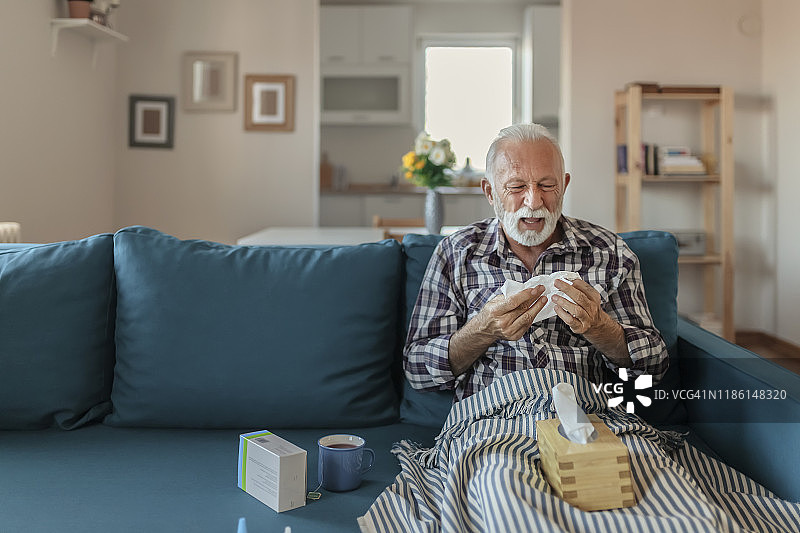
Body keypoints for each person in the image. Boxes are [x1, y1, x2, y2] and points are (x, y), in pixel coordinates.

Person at [404, 123, 668, 401]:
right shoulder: (457, 252)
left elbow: (655, 368)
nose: (533, 201)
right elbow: (416, 370)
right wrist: (482, 330)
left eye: (547, 185)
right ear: (490, 192)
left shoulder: (610, 252)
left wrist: (599, 327)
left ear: (564, 185)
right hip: (491, 420)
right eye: (517, 186)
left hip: (586, 414)